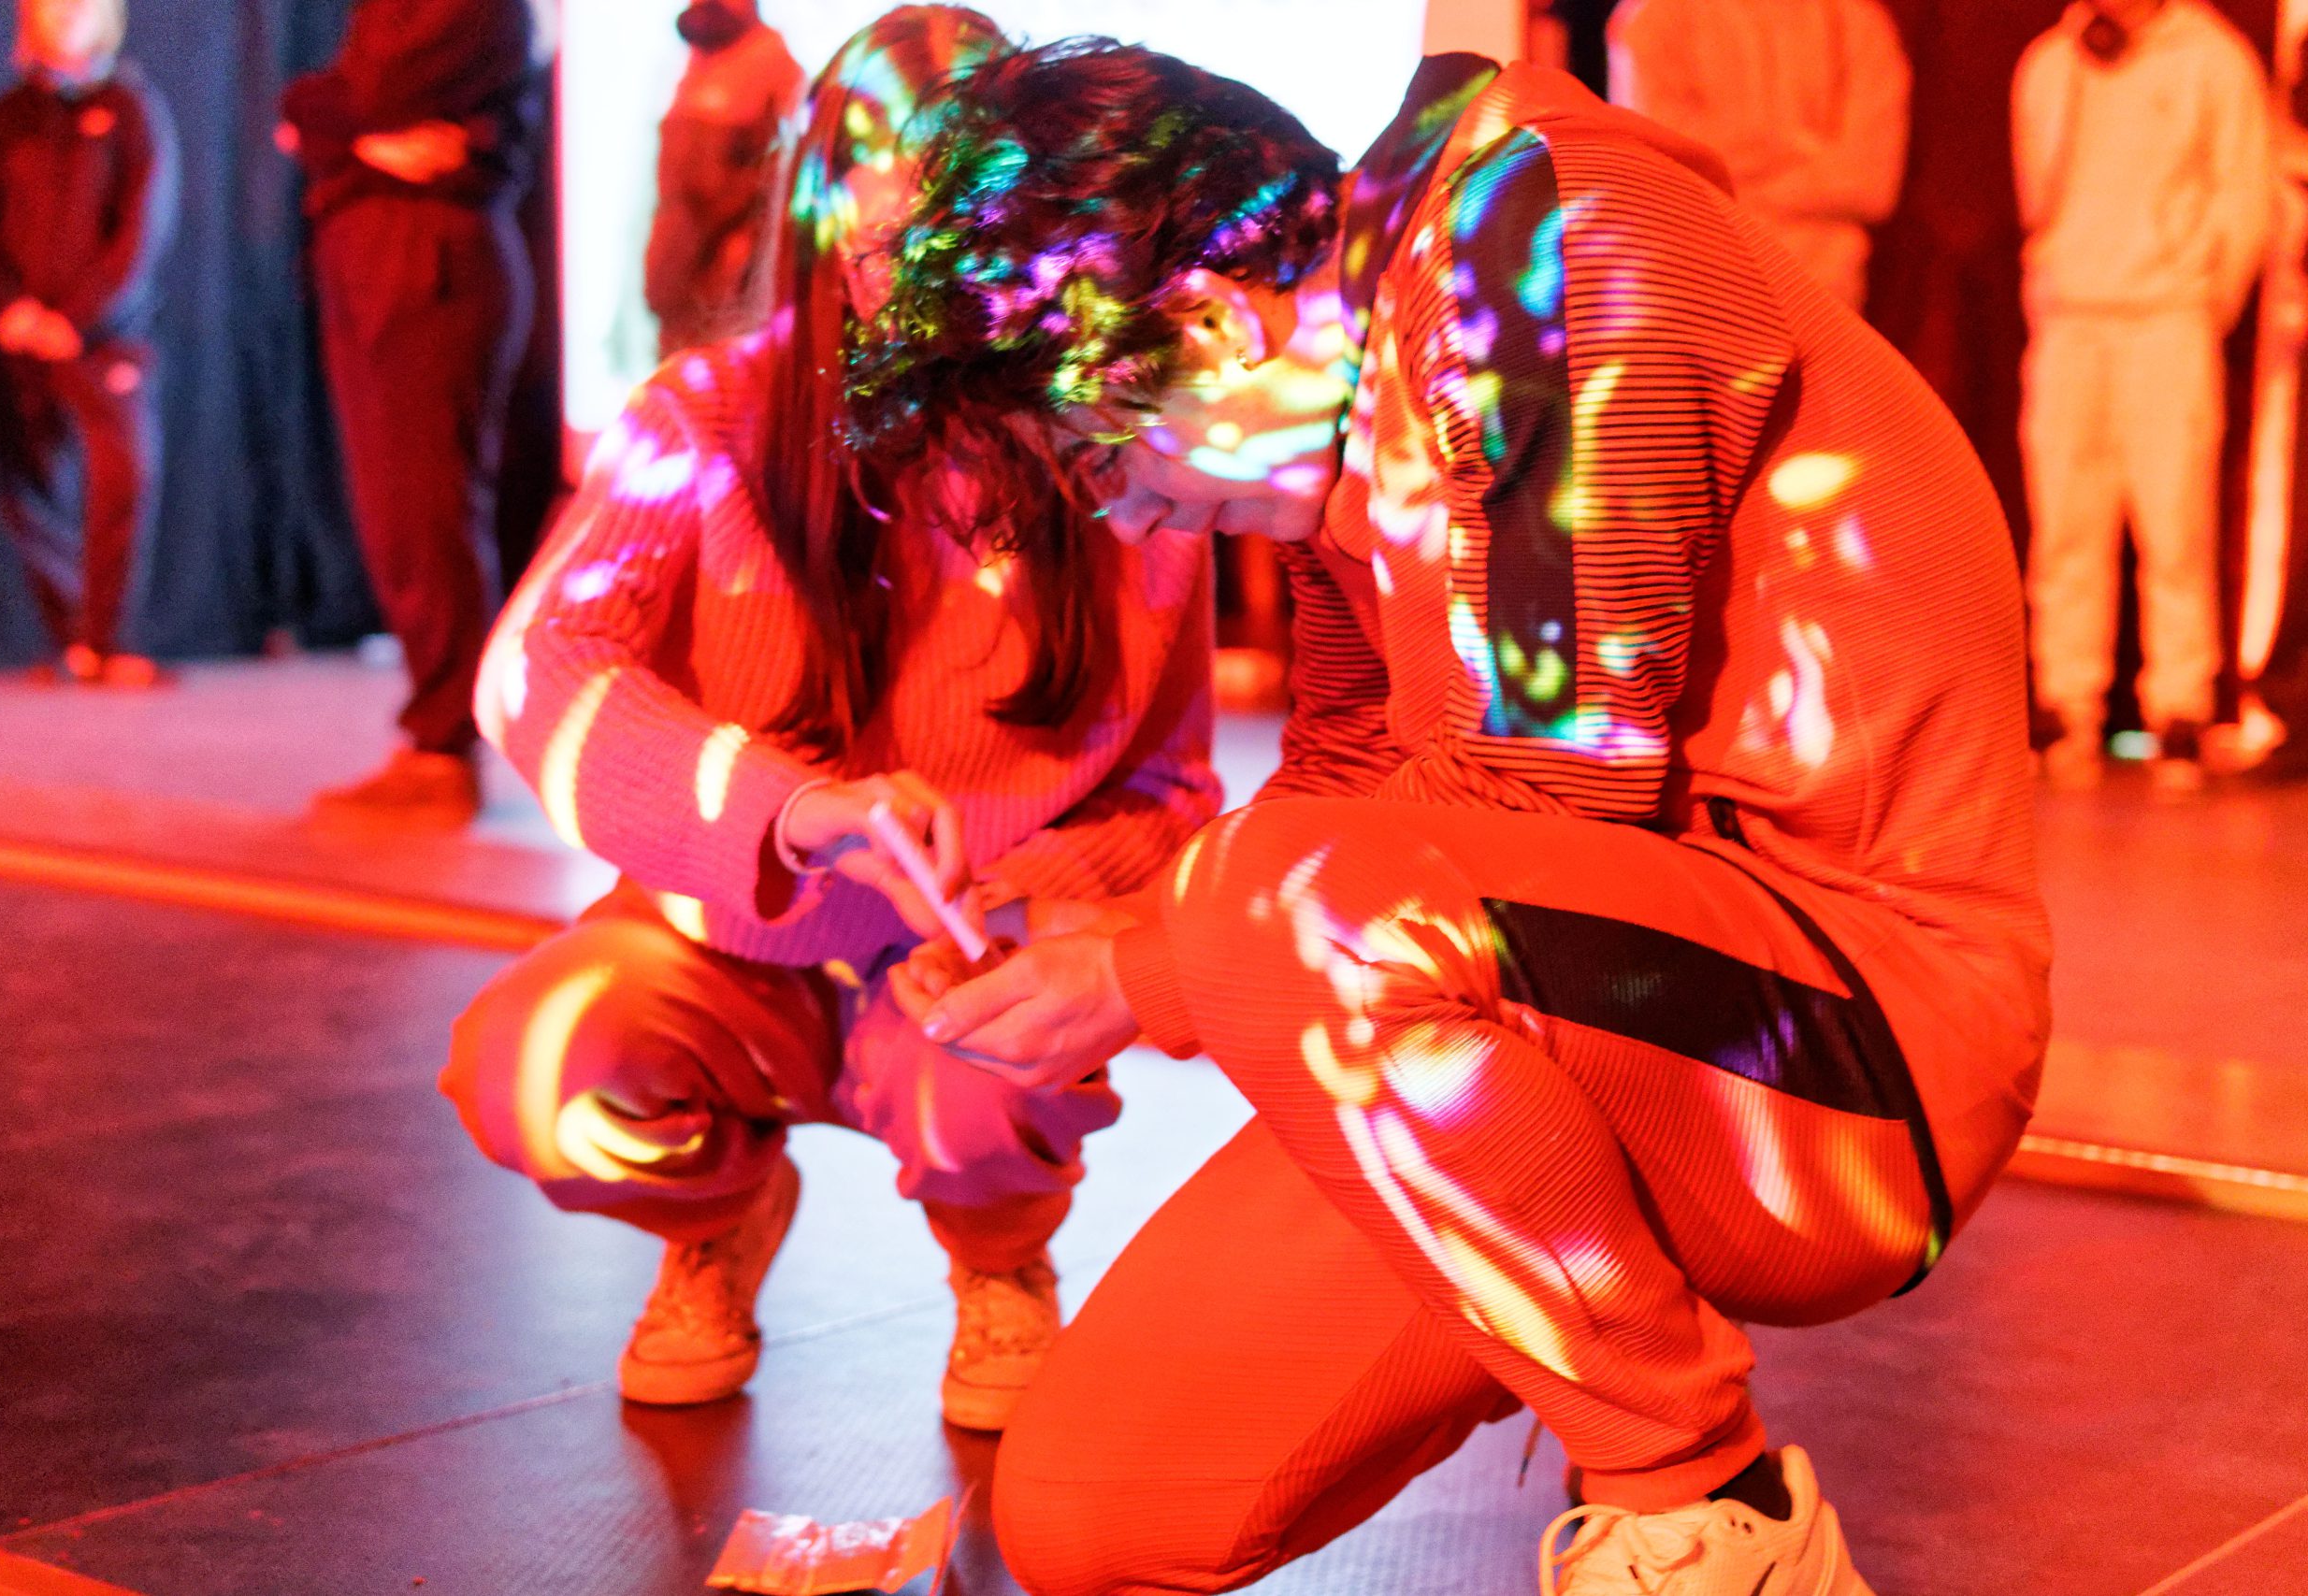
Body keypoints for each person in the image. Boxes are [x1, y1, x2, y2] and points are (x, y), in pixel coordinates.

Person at [856, 44, 2048, 1594]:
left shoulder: (1550, 244)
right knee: (1089, 1512)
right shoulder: (1349, 414)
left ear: (1213, 323)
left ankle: (1707, 1510)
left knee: (1274, 897)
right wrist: (1112, 945)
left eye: (1100, 457)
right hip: (1595, 996)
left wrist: (1152, 965)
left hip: (1855, 1063)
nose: (1128, 516)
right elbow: (1350, 784)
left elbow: (1548, 787)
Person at [438, 8, 1220, 1431]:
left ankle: (1000, 1250)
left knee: (997, 1070)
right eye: (879, 250)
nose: (915, 297)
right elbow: (538, 666)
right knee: (536, 1063)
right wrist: (790, 808)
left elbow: (1168, 791)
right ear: (818, 226)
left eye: (957, 247)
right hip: (724, 942)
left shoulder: (1114, 443)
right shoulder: (702, 416)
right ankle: (715, 1218)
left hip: (965, 950)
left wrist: (1023, 897)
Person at [280, 0, 547, 827]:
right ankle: (435, 735)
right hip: (383, 250)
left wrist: (325, 120)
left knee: (425, 510)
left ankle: (444, 748)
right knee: (396, 513)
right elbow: (333, 107)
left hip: (426, 255)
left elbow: (367, 94)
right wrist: (352, 135)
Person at [2012, 0, 2274, 796]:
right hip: (2069, 321)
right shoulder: (2049, 64)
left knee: (2175, 521)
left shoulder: (2214, 61)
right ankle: (2064, 704)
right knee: (2064, 521)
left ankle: (2180, 709)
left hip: (2168, 322)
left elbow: (2246, 197)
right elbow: (2035, 194)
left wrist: (2199, 301)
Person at [0, 0, 176, 686]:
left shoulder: (132, 111)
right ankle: (72, 636)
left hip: (106, 338)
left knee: (124, 472)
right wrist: (11, 307)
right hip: (16, 335)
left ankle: (111, 641)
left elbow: (142, 235)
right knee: (24, 484)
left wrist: (77, 321)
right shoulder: (5, 119)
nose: (67, 13)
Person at [1607, 0, 1911, 311]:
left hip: (1819, 299)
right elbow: (1659, 163)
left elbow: (1868, 186)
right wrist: (1798, 146)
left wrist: (1731, 180)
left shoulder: (1857, 24)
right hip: (1686, 291)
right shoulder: (1654, 19)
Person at [643, 0, 805, 352]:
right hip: (677, 276)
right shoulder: (695, 58)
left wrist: (743, 252)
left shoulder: (772, 61)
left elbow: (788, 170)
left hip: (727, 281)